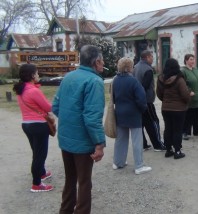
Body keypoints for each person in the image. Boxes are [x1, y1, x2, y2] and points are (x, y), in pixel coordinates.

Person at [52, 45, 106, 214]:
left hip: (66, 138)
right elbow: (92, 117)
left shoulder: (68, 77)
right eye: (102, 60)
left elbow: (56, 106)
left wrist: (71, 120)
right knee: (84, 182)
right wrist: (99, 144)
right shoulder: (94, 81)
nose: (103, 63)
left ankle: (65, 210)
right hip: (82, 142)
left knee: (70, 179)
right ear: (96, 62)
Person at [13, 64, 54, 192]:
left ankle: (41, 172)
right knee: (40, 155)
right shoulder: (33, 91)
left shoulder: (21, 90)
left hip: (27, 124)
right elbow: (48, 108)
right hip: (39, 125)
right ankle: (36, 184)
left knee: (36, 152)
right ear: (31, 75)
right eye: (36, 73)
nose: (38, 75)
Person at [112, 57, 152, 174]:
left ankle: (118, 162)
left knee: (120, 139)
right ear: (129, 67)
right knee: (137, 141)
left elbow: (113, 97)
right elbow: (141, 99)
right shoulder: (133, 81)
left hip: (120, 112)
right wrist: (143, 109)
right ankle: (139, 166)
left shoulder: (115, 80)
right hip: (133, 114)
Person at [157, 58, 192, 159]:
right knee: (177, 130)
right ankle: (177, 151)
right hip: (179, 109)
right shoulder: (179, 79)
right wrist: (188, 98)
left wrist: (166, 100)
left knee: (168, 128)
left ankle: (168, 150)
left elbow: (159, 94)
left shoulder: (160, 78)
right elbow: (185, 95)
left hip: (166, 108)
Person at [133, 50, 166, 151]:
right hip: (146, 101)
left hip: (137, 100)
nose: (153, 59)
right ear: (147, 57)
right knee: (154, 121)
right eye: (151, 57)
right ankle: (157, 144)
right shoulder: (148, 69)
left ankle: (143, 144)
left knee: (141, 123)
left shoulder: (135, 67)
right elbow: (144, 86)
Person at [181, 54, 198, 140]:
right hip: (190, 99)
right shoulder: (183, 71)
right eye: (191, 59)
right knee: (188, 116)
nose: (193, 61)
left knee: (197, 114)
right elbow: (182, 84)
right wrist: (188, 91)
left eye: (193, 59)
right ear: (186, 60)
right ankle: (185, 132)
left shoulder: (196, 69)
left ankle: (197, 131)